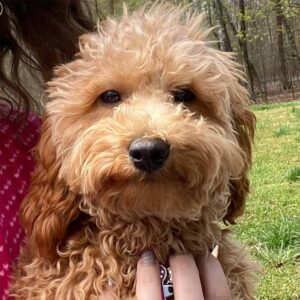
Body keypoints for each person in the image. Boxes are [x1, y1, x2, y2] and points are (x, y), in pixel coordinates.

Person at [0, 1, 231, 299]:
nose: (149, 142)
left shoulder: (20, 136)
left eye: (184, 96)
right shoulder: (56, 271)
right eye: (110, 97)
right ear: (56, 148)